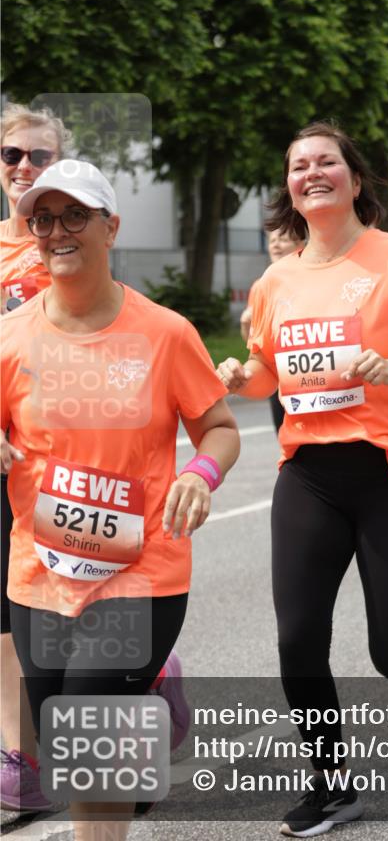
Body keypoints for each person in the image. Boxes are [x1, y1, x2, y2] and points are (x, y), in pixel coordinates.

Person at [217, 121, 388, 837]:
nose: (311, 172)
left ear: (354, 180)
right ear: (290, 190)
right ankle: (333, 785)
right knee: (297, 637)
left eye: (325, 161)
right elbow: (272, 369)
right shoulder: (276, 281)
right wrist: (244, 378)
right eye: (298, 165)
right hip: (309, 473)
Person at [0, 159, 240, 840]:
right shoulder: (10, 338)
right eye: (42, 219)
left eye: (74, 215)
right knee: (64, 740)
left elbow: (219, 429)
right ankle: (153, 699)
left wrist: (200, 474)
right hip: (39, 575)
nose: (56, 231)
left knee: (87, 743)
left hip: (141, 572)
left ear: (111, 226)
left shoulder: (164, 334)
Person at [0, 104, 70, 811]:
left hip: (61, 459)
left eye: (39, 156)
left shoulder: (68, 242)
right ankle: (25, 761)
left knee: (72, 605)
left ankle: (153, 668)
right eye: (12, 155)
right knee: (1, 615)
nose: (24, 168)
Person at [240, 229, 305, 433]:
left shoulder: (310, 280)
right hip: (276, 375)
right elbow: (254, 346)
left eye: (283, 240)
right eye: (272, 240)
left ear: (300, 245)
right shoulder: (261, 286)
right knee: (284, 434)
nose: (275, 245)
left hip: (307, 373)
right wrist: (245, 325)